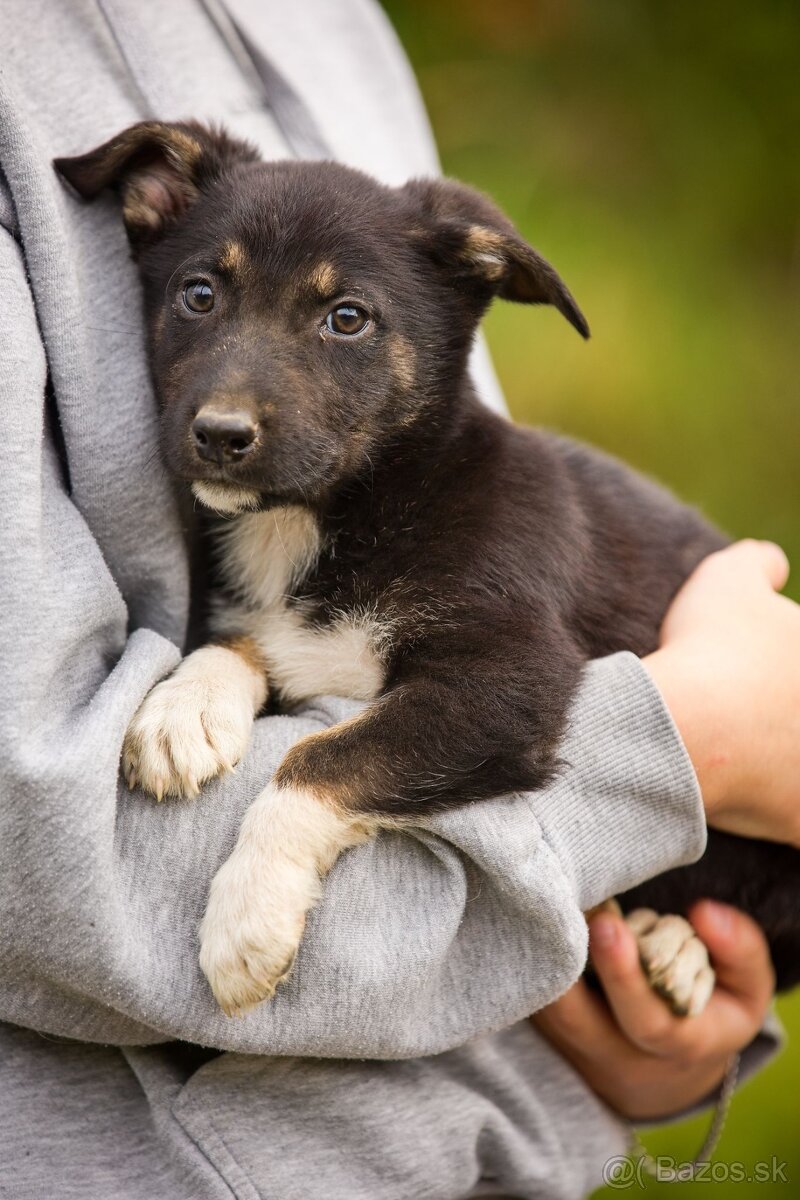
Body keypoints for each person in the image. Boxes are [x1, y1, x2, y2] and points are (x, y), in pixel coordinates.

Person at [0, 2, 796, 1196]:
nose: (232, 400)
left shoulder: (466, 519)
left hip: (741, 881)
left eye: (344, 320)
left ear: (468, 298)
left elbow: (496, 702)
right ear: (150, 217)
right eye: (204, 299)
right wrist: (229, 666)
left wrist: (298, 812)